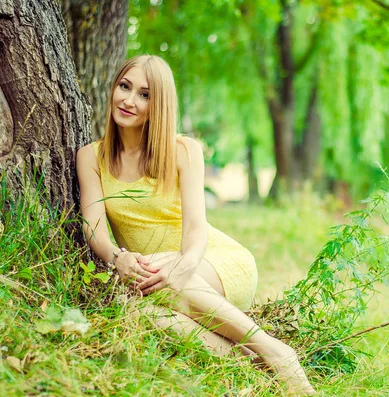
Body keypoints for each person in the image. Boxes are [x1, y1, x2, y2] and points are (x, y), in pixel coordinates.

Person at [76, 55, 315, 395]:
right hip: (150, 274)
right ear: (113, 87)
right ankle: (253, 367)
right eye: (125, 87)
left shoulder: (183, 150)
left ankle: (276, 351)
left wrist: (182, 263)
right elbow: (94, 226)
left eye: (145, 94)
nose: (129, 100)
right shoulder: (91, 157)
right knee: (139, 313)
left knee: (167, 277)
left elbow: (196, 229)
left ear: (159, 105)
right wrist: (118, 258)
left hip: (212, 261)